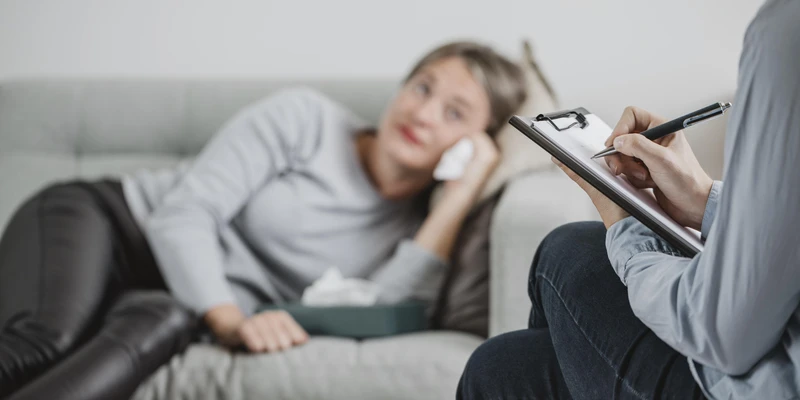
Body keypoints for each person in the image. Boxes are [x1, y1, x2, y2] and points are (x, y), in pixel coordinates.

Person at [0, 41, 527, 399]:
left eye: (455, 112)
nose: (424, 112)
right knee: (49, 341)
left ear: (475, 145)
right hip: (112, 225)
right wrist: (231, 320)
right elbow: (183, 214)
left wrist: (457, 200)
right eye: (422, 86)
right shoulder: (304, 119)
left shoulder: (414, 230)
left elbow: (379, 309)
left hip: (179, 301)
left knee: (162, 323)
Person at [458, 0, 800, 399]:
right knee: (501, 366)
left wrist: (624, 221)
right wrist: (704, 199)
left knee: (565, 251)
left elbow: (725, 332)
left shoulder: (786, 30)